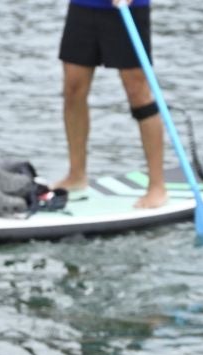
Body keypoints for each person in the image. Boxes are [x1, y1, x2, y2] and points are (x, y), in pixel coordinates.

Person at [54, 0, 167, 209]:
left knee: (138, 92)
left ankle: (157, 186)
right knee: (73, 88)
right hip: (84, 5)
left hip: (128, 8)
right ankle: (76, 176)